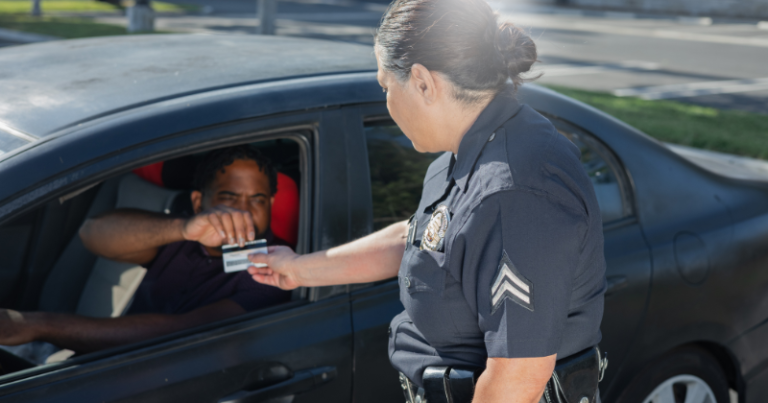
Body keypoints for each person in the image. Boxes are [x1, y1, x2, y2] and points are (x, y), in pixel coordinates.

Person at [246, 0, 607, 402]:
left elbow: (517, 378)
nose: (386, 101)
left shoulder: (513, 193)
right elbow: (424, 240)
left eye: (386, 86)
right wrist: (296, 269)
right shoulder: (471, 151)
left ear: (421, 82)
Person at [0, 146, 291, 361]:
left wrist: (39, 325)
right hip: (101, 366)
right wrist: (184, 228)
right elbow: (93, 234)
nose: (242, 211)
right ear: (198, 202)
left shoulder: (276, 266)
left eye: (257, 199)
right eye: (228, 197)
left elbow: (179, 332)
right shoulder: (187, 235)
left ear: (271, 204)